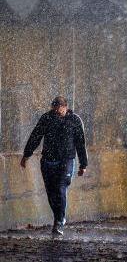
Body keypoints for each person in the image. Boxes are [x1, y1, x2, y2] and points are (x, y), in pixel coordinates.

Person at [20, 96, 88, 236]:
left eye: (59, 111)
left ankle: (59, 221)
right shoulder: (46, 118)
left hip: (66, 160)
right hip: (48, 161)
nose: (56, 113)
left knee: (60, 187)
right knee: (51, 193)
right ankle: (58, 218)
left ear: (65, 107)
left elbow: (81, 143)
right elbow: (35, 136)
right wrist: (27, 155)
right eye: (54, 110)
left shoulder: (74, 120)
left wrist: (83, 164)